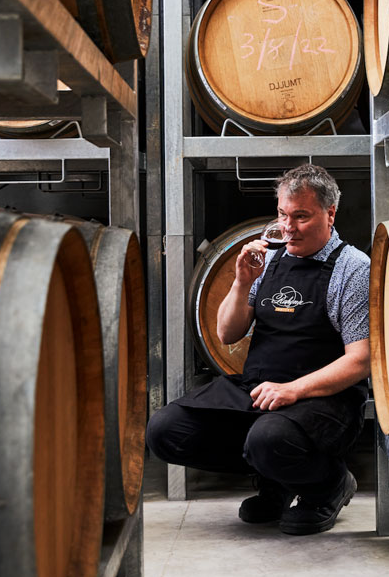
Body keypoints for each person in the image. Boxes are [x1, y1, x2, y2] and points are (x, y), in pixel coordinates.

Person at [146, 163, 370, 535]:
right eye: (283, 214)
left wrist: (292, 390)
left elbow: (361, 359)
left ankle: (328, 486)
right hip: (261, 389)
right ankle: (277, 482)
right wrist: (241, 282)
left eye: (301, 216)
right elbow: (226, 332)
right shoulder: (269, 259)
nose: (288, 227)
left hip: (323, 401)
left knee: (269, 439)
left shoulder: (352, 267)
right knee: (165, 431)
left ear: (331, 213)